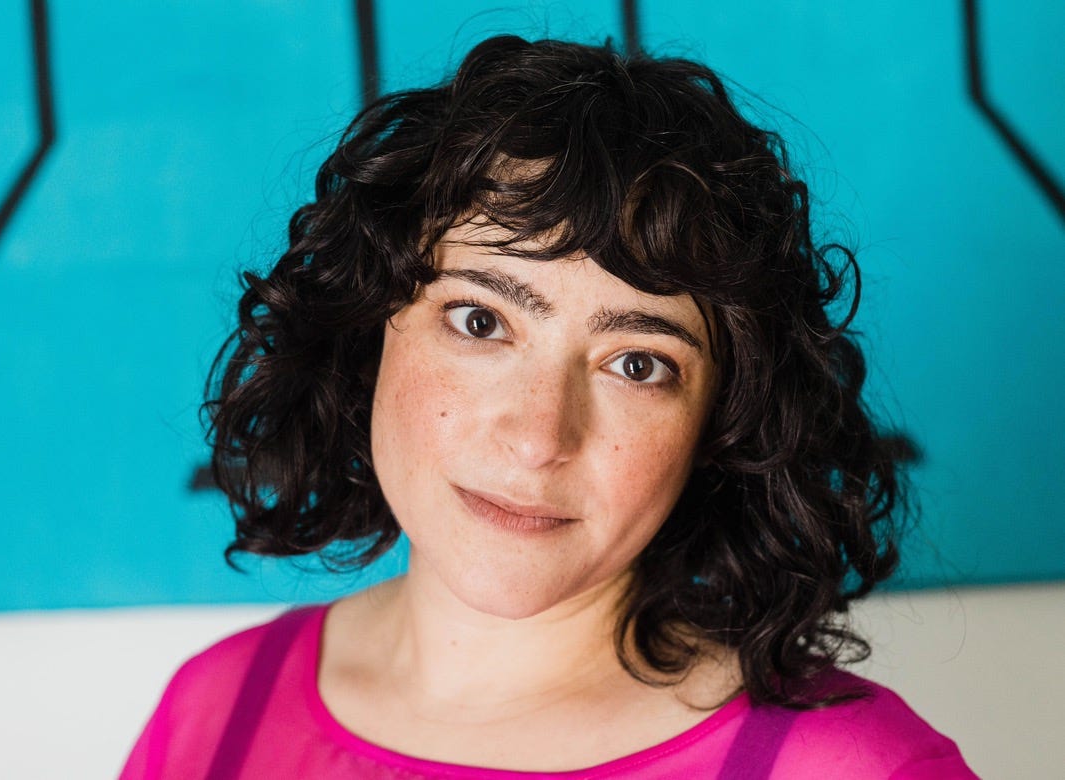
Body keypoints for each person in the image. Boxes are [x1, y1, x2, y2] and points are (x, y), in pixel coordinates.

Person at [122, 35, 977, 779]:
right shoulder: (216, 713)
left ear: (724, 421)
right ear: (369, 327)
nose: (538, 438)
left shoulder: (859, 771)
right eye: (481, 320)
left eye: (637, 363)